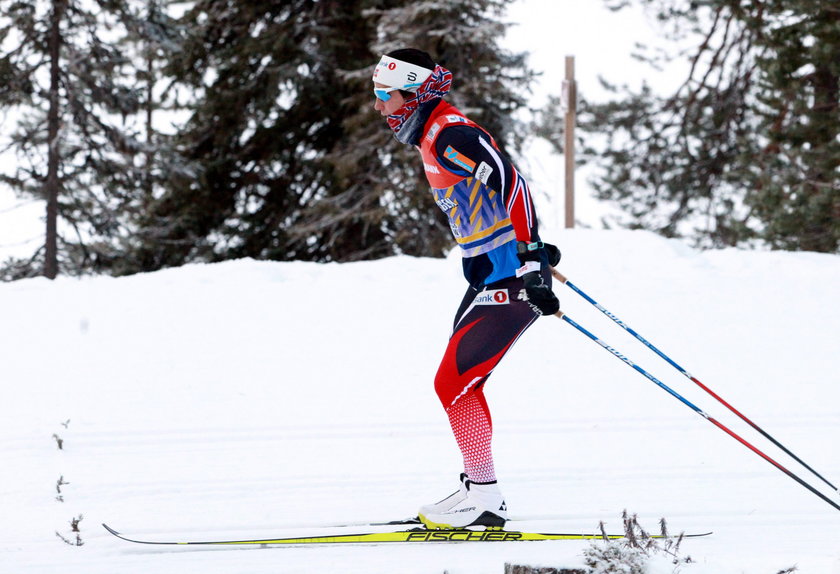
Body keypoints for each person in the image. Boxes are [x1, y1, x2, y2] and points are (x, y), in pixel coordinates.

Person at [372, 48, 561, 529]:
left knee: (454, 383)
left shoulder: (449, 134)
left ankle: (483, 497)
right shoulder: (431, 135)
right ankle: (478, 491)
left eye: (384, 96)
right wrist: (528, 245)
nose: (379, 107)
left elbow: (510, 182)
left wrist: (533, 257)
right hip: (487, 275)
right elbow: (493, 199)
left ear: (414, 94)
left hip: (509, 279)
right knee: (460, 384)